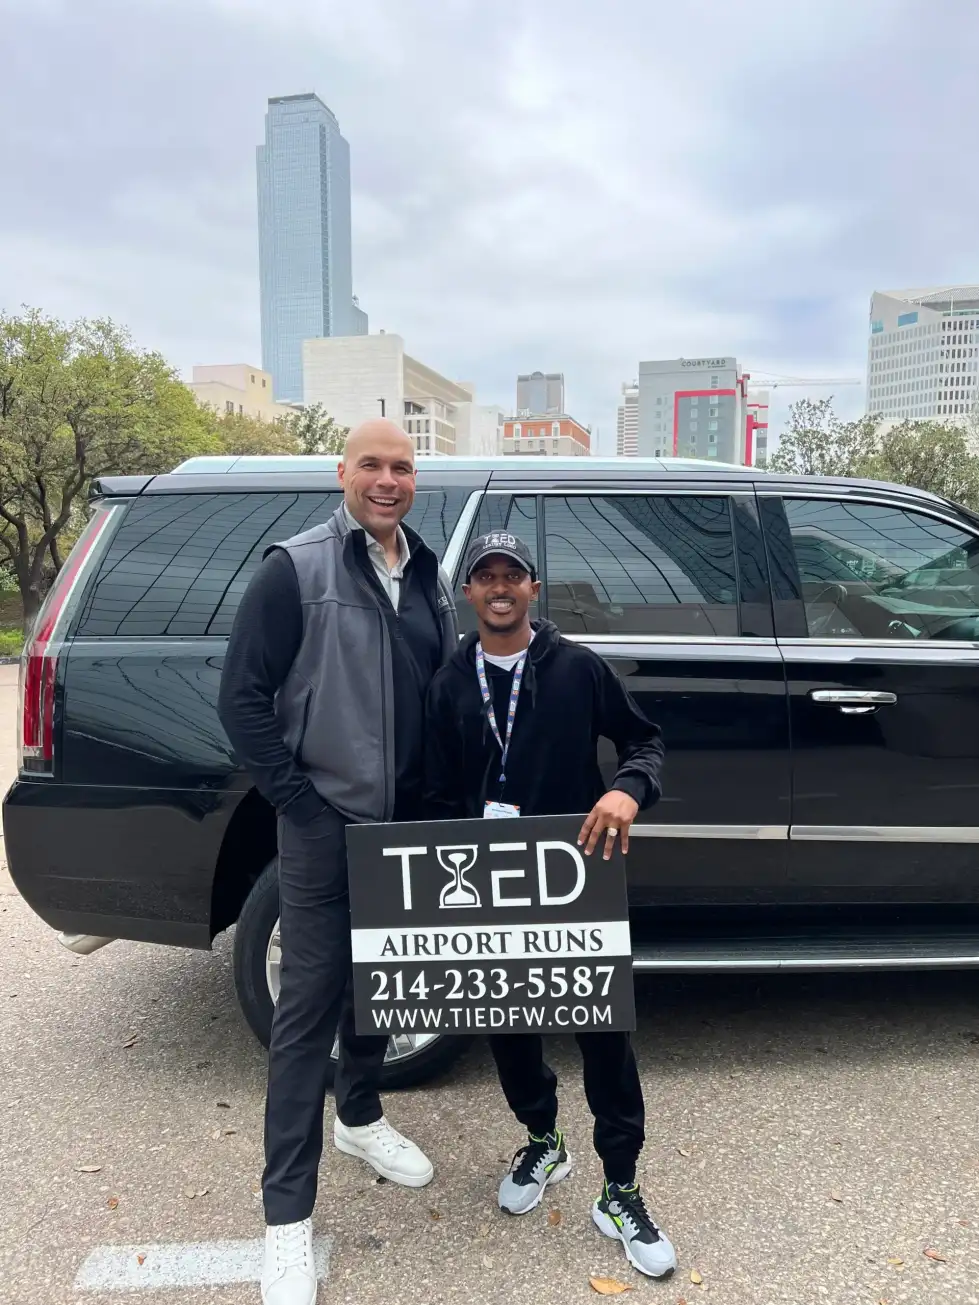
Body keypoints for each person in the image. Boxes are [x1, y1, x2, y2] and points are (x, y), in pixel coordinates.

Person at [218, 420, 458, 1305]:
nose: (387, 479)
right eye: (371, 465)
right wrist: (302, 805)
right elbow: (241, 699)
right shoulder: (297, 568)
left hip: (406, 830)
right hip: (325, 824)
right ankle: (285, 1219)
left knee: (384, 982)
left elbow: (434, 694)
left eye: (401, 466)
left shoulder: (426, 570)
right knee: (306, 1012)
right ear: (342, 473)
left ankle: (360, 1116)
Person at [424, 531, 678, 1281]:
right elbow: (434, 794)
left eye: (512, 576)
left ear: (533, 588)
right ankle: (543, 1137)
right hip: (490, 884)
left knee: (603, 1032)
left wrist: (625, 789)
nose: (499, 588)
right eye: (485, 578)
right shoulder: (446, 685)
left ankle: (621, 1185)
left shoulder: (577, 669)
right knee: (507, 1025)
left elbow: (646, 742)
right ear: (469, 594)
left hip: (577, 879)